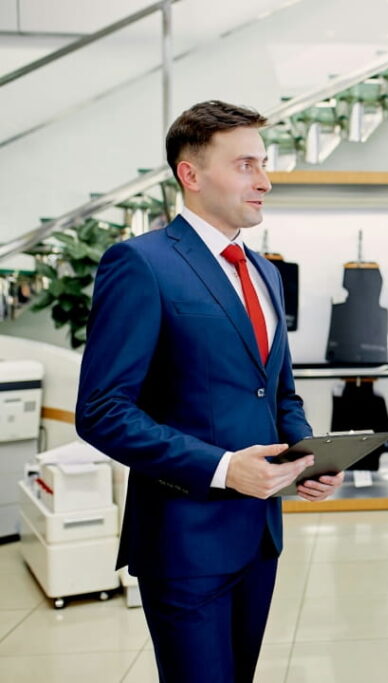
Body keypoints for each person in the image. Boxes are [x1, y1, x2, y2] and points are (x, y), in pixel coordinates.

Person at [76, 100, 342, 683]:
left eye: (264, 164)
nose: (265, 180)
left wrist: (306, 456)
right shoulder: (140, 264)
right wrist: (223, 468)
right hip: (184, 540)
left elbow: (279, 395)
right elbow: (101, 410)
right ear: (190, 175)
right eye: (246, 164)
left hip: (258, 536)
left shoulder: (264, 271)